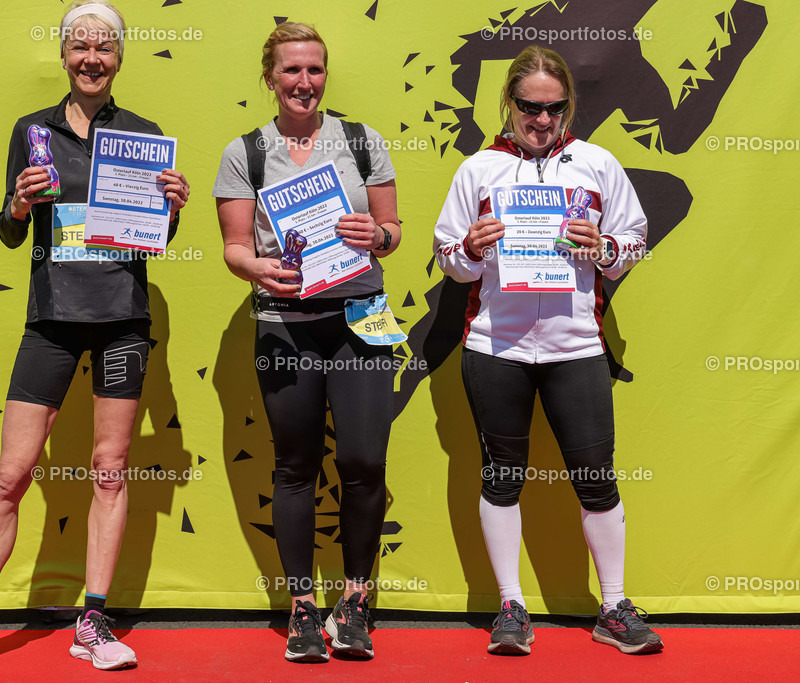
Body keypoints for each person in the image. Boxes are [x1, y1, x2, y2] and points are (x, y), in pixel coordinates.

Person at [0, 2, 190, 681]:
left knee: (108, 467)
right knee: (11, 475)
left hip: (123, 317)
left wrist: (170, 208)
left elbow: (153, 239)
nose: (90, 57)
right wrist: (15, 203)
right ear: (64, 56)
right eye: (79, 46)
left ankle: (92, 620)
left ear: (119, 58)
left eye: (103, 47)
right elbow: (11, 232)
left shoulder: (144, 134)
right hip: (52, 317)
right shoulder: (30, 130)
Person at [433, 45, 662, 656]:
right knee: (503, 478)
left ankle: (613, 605)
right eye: (531, 107)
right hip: (495, 345)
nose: (542, 120)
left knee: (597, 479)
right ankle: (511, 606)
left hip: (577, 346)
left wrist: (606, 246)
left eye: (555, 108)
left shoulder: (596, 163)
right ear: (510, 103)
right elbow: (449, 262)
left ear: (569, 106)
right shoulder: (478, 169)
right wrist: (472, 249)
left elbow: (636, 242)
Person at [213, 22, 401, 663]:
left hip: (362, 315)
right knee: (295, 465)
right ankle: (301, 608)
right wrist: (257, 268)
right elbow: (236, 247)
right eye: (292, 70)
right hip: (285, 323)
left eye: (315, 70)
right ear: (270, 78)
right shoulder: (246, 153)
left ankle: (355, 600)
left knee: (364, 462)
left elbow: (393, 227)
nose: (304, 82)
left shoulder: (361, 140)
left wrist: (377, 238)